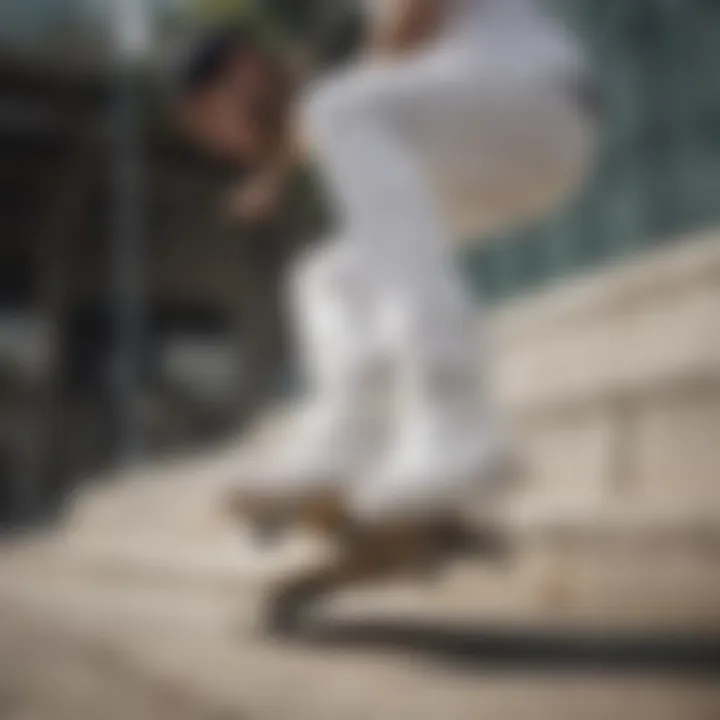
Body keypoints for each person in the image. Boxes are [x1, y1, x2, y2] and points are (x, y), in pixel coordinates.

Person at [178, 0, 601, 631]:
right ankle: (350, 447)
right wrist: (282, 161)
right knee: (332, 274)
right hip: (501, 137)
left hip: (538, 103)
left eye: (211, 123)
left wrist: (315, 120)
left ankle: (455, 417)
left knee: (341, 108)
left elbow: (415, 16)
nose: (219, 141)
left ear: (236, 71)